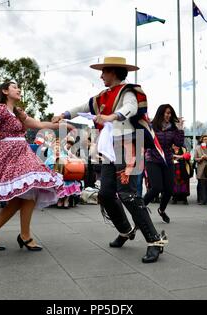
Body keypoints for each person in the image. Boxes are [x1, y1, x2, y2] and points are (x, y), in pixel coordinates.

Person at [51, 56, 168, 263]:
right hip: (109, 147)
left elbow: (131, 108)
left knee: (128, 194)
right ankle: (125, 230)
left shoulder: (128, 91)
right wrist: (63, 114)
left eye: (104, 71)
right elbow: (83, 107)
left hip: (131, 143)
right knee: (105, 194)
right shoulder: (101, 96)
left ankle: (154, 241)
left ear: (113, 72)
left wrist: (112, 117)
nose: (101, 75)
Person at [0, 80, 66, 251]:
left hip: (22, 153)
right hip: (8, 155)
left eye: (19, 86)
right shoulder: (0, 110)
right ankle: (19, 236)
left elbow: (39, 124)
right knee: (24, 196)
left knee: (28, 194)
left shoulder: (17, 112)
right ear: (4, 91)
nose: (18, 89)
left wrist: (61, 125)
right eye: (14, 87)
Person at [143, 104, 185, 223]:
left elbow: (179, 143)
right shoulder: (152, 126)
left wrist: (180, 129)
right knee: (156, 187)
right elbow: (145, 142)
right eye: (166, 113)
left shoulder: (173, 128)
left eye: (170, 113)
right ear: (161, 113)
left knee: (169, 189)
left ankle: (161, 209)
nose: (168, 115)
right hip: (153, 160)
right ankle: (141, 207)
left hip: (167, 160)